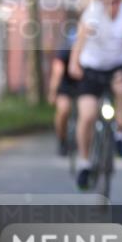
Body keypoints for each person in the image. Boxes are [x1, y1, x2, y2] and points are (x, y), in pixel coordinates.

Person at [69, 0, 122, 189]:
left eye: (116, 1)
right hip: (91, 66)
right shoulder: (92, 13)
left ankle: (120, 134)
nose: (112, 5)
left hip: (117, 65)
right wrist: (74, 63)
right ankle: (85, 164)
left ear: (121, 0)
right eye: (107, 1)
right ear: (101, 1)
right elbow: (80, 40)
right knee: (87, 115)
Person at [48, 26, 79, 156]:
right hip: (65, 84)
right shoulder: (64, 52)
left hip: (83, 83)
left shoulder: (89, 52)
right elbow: (57, 72)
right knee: (63, 110)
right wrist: (53, 92)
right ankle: (62, 139)